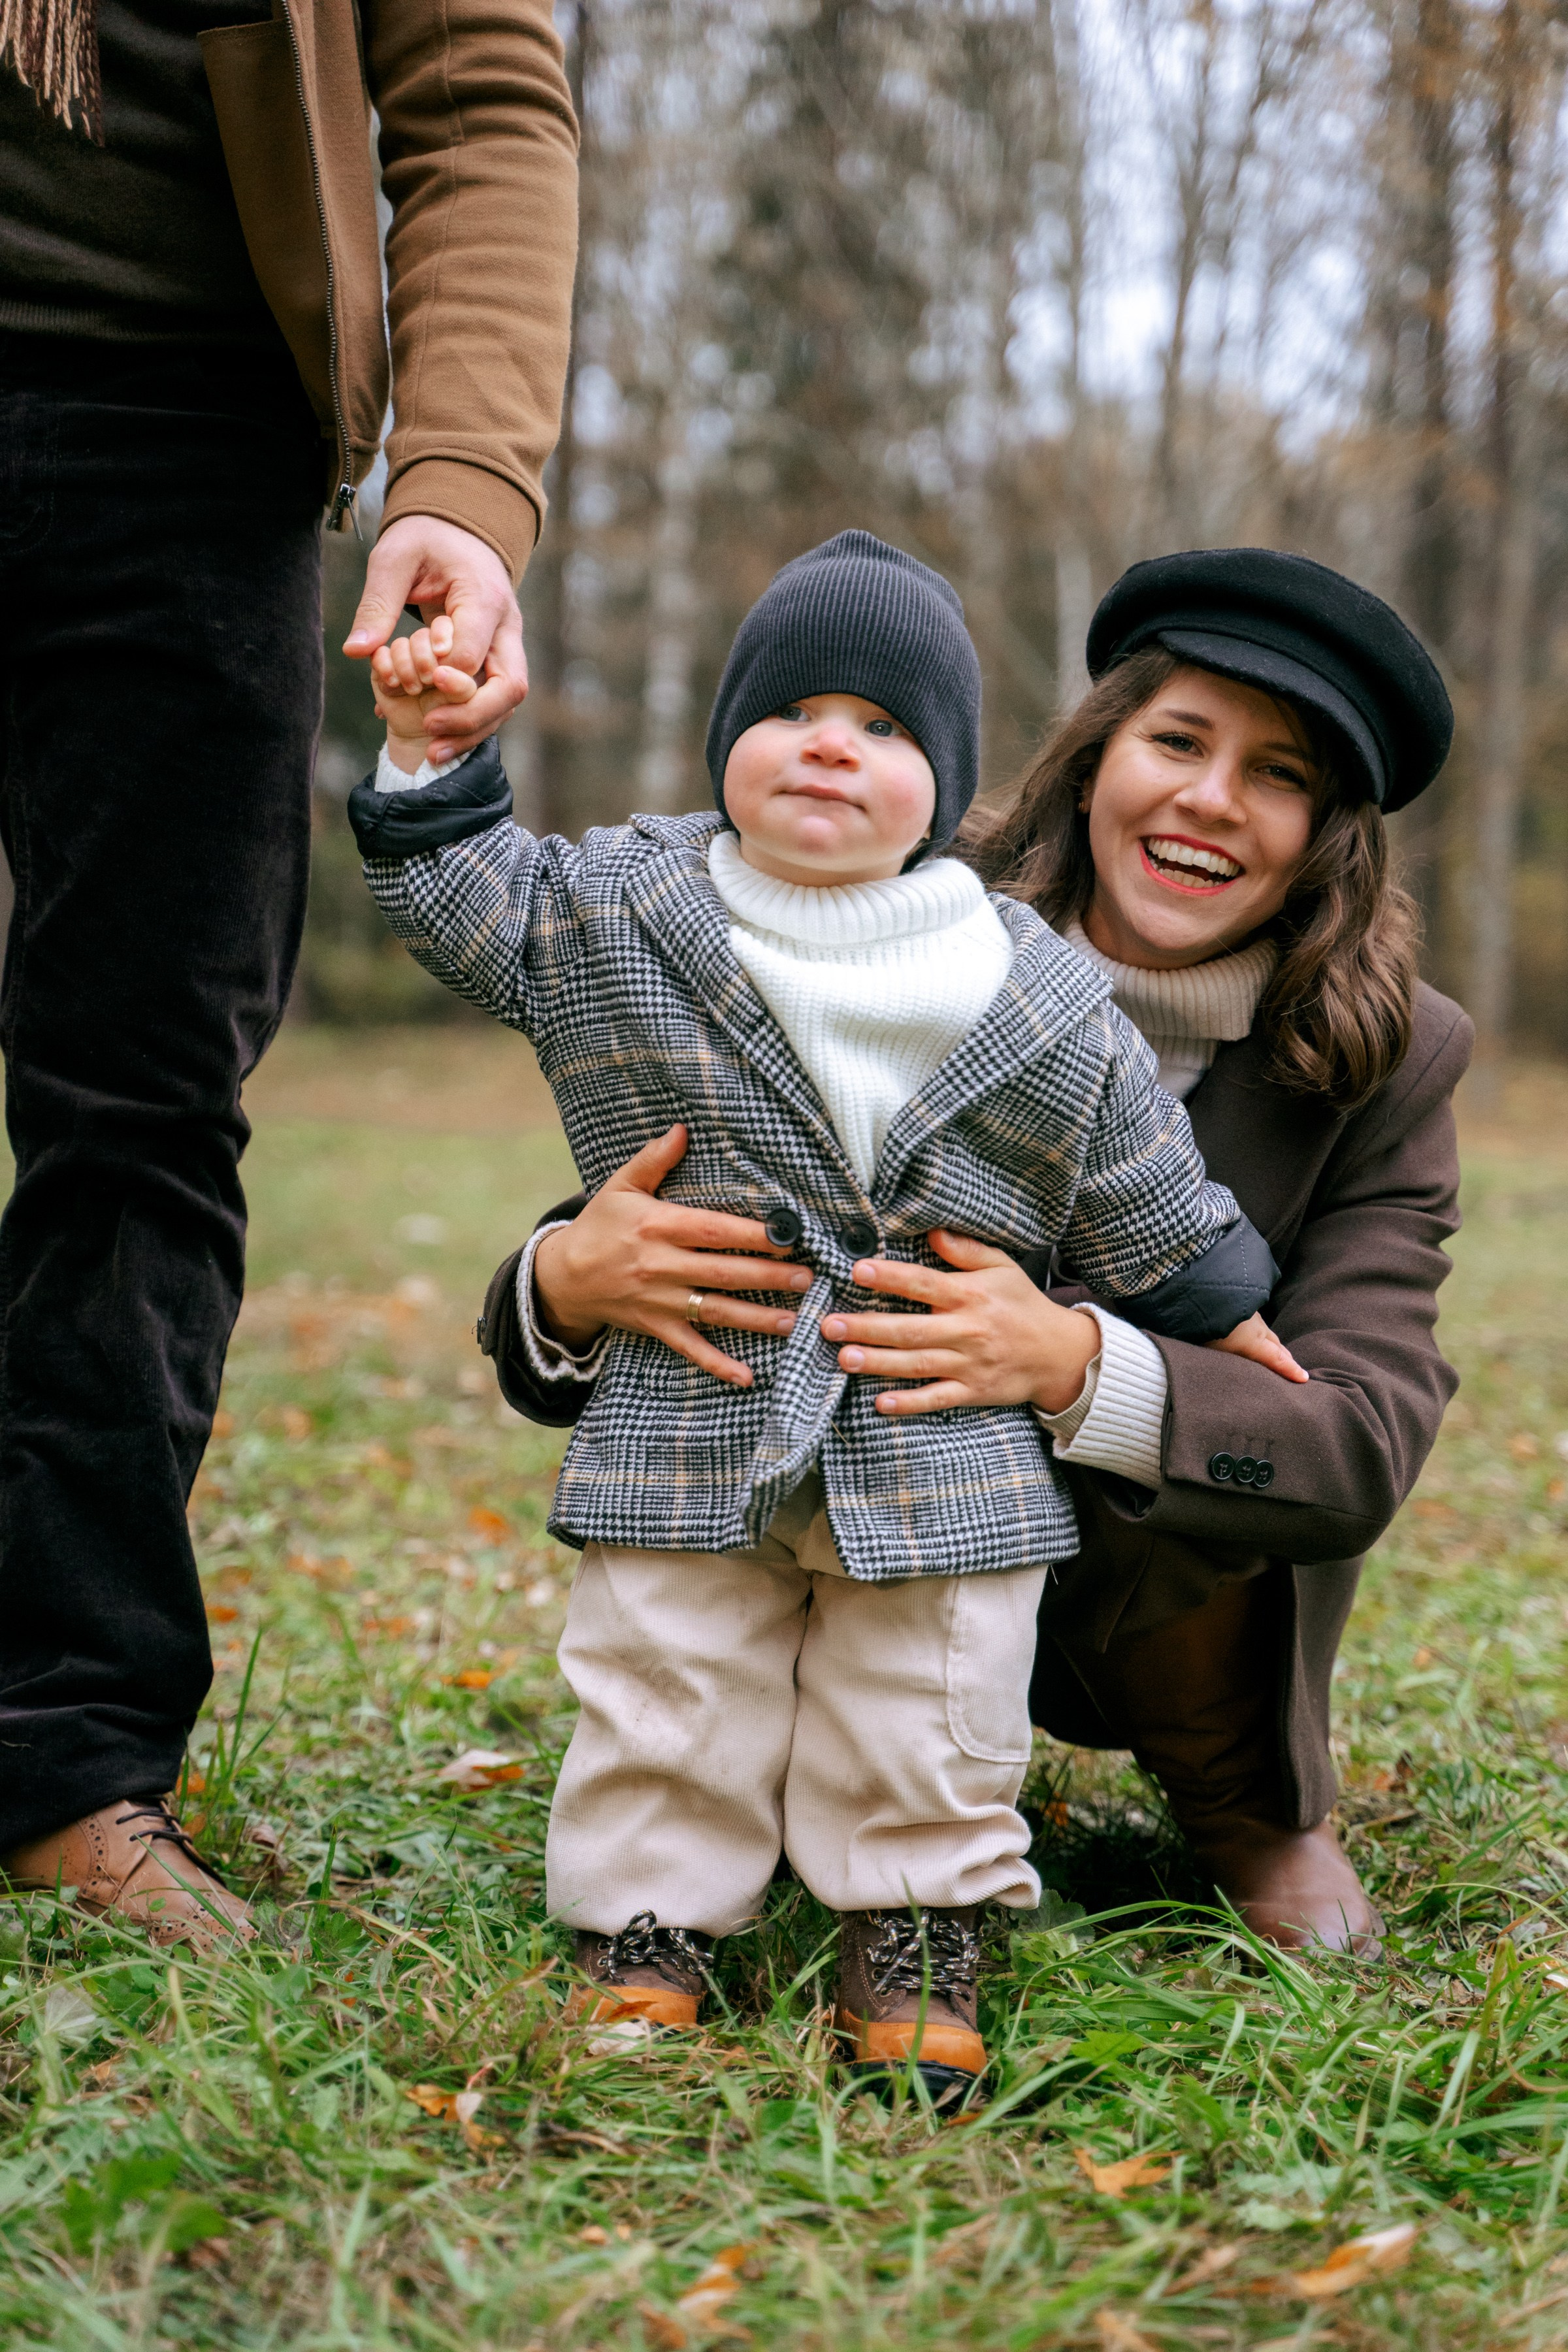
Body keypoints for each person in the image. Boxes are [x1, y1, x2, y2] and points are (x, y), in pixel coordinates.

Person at [353, 530, 1301, 2104]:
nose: (830, 746)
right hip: (695, 1388)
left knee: (932, 1689)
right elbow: (460, 896)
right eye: (793, 712)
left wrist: (1229, 1314)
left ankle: (914, 1923)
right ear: (728, 743)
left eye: (885, 730)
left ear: (950, 787)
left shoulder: (1033, 984)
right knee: (666, 1669)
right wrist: (428, 752)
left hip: (937, 1422)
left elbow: (1139, 1175)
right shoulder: (613, 911)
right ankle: (646, 1922)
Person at [491, 546, 1469, 1963]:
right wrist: (563, 1284)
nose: (1209, 798)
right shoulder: (887, 897)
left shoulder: (1397, 1058)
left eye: (1280, 775)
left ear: (1329, 837)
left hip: (1152, 1579)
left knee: (1216, 1439)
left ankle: (1249, 1810)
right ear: (1094, 762)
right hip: (836, 1509)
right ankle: (749, 1798)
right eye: (1178, 741)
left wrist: (1074, 1364)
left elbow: (1360, 1438)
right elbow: (656, 1185)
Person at [0, 0, 578, 1946]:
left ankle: (67, 1759)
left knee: (139, 1108)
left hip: (191, 430)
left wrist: (463, 479)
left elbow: (481, 93)